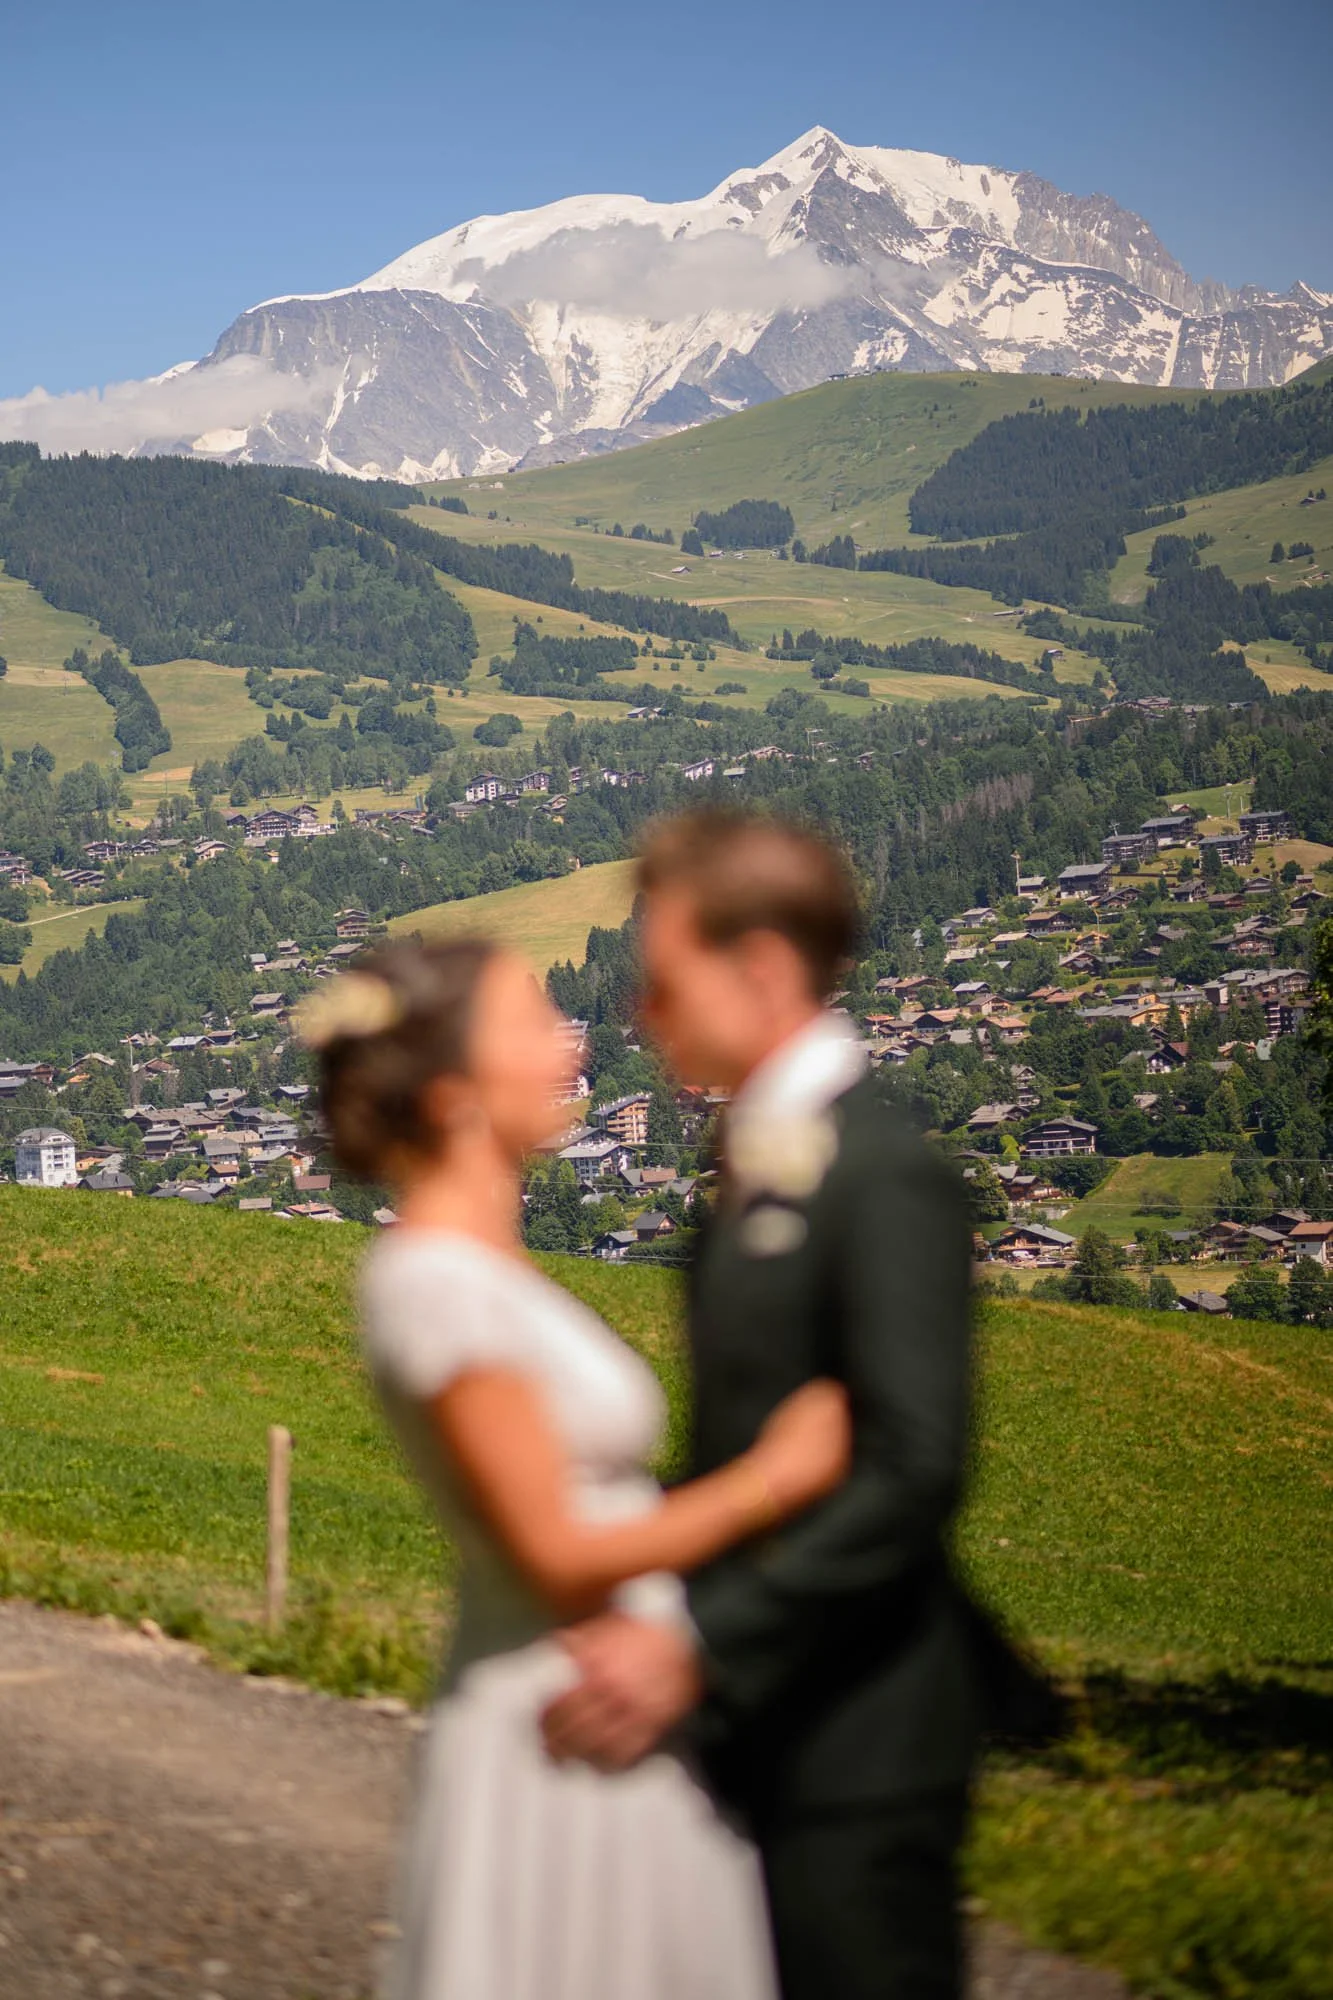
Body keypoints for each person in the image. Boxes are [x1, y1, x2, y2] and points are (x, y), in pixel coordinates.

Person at [299, 935, 852, 2000]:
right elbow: (555, 1552)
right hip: (563, 1713)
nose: (569, 1043)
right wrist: (775, 1476)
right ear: (456, 1090)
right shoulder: (437, 1282)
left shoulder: (491, 1273)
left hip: (623, 1695)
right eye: (531, 1024)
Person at [542, 808, 997, 2000]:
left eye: (663, 978)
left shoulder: (883, 1173)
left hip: (859, 1739)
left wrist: (693, 1639)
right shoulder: (761, 1154)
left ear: (755, 968)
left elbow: (911, 1464)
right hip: (756, 1721)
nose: (641, 1014)